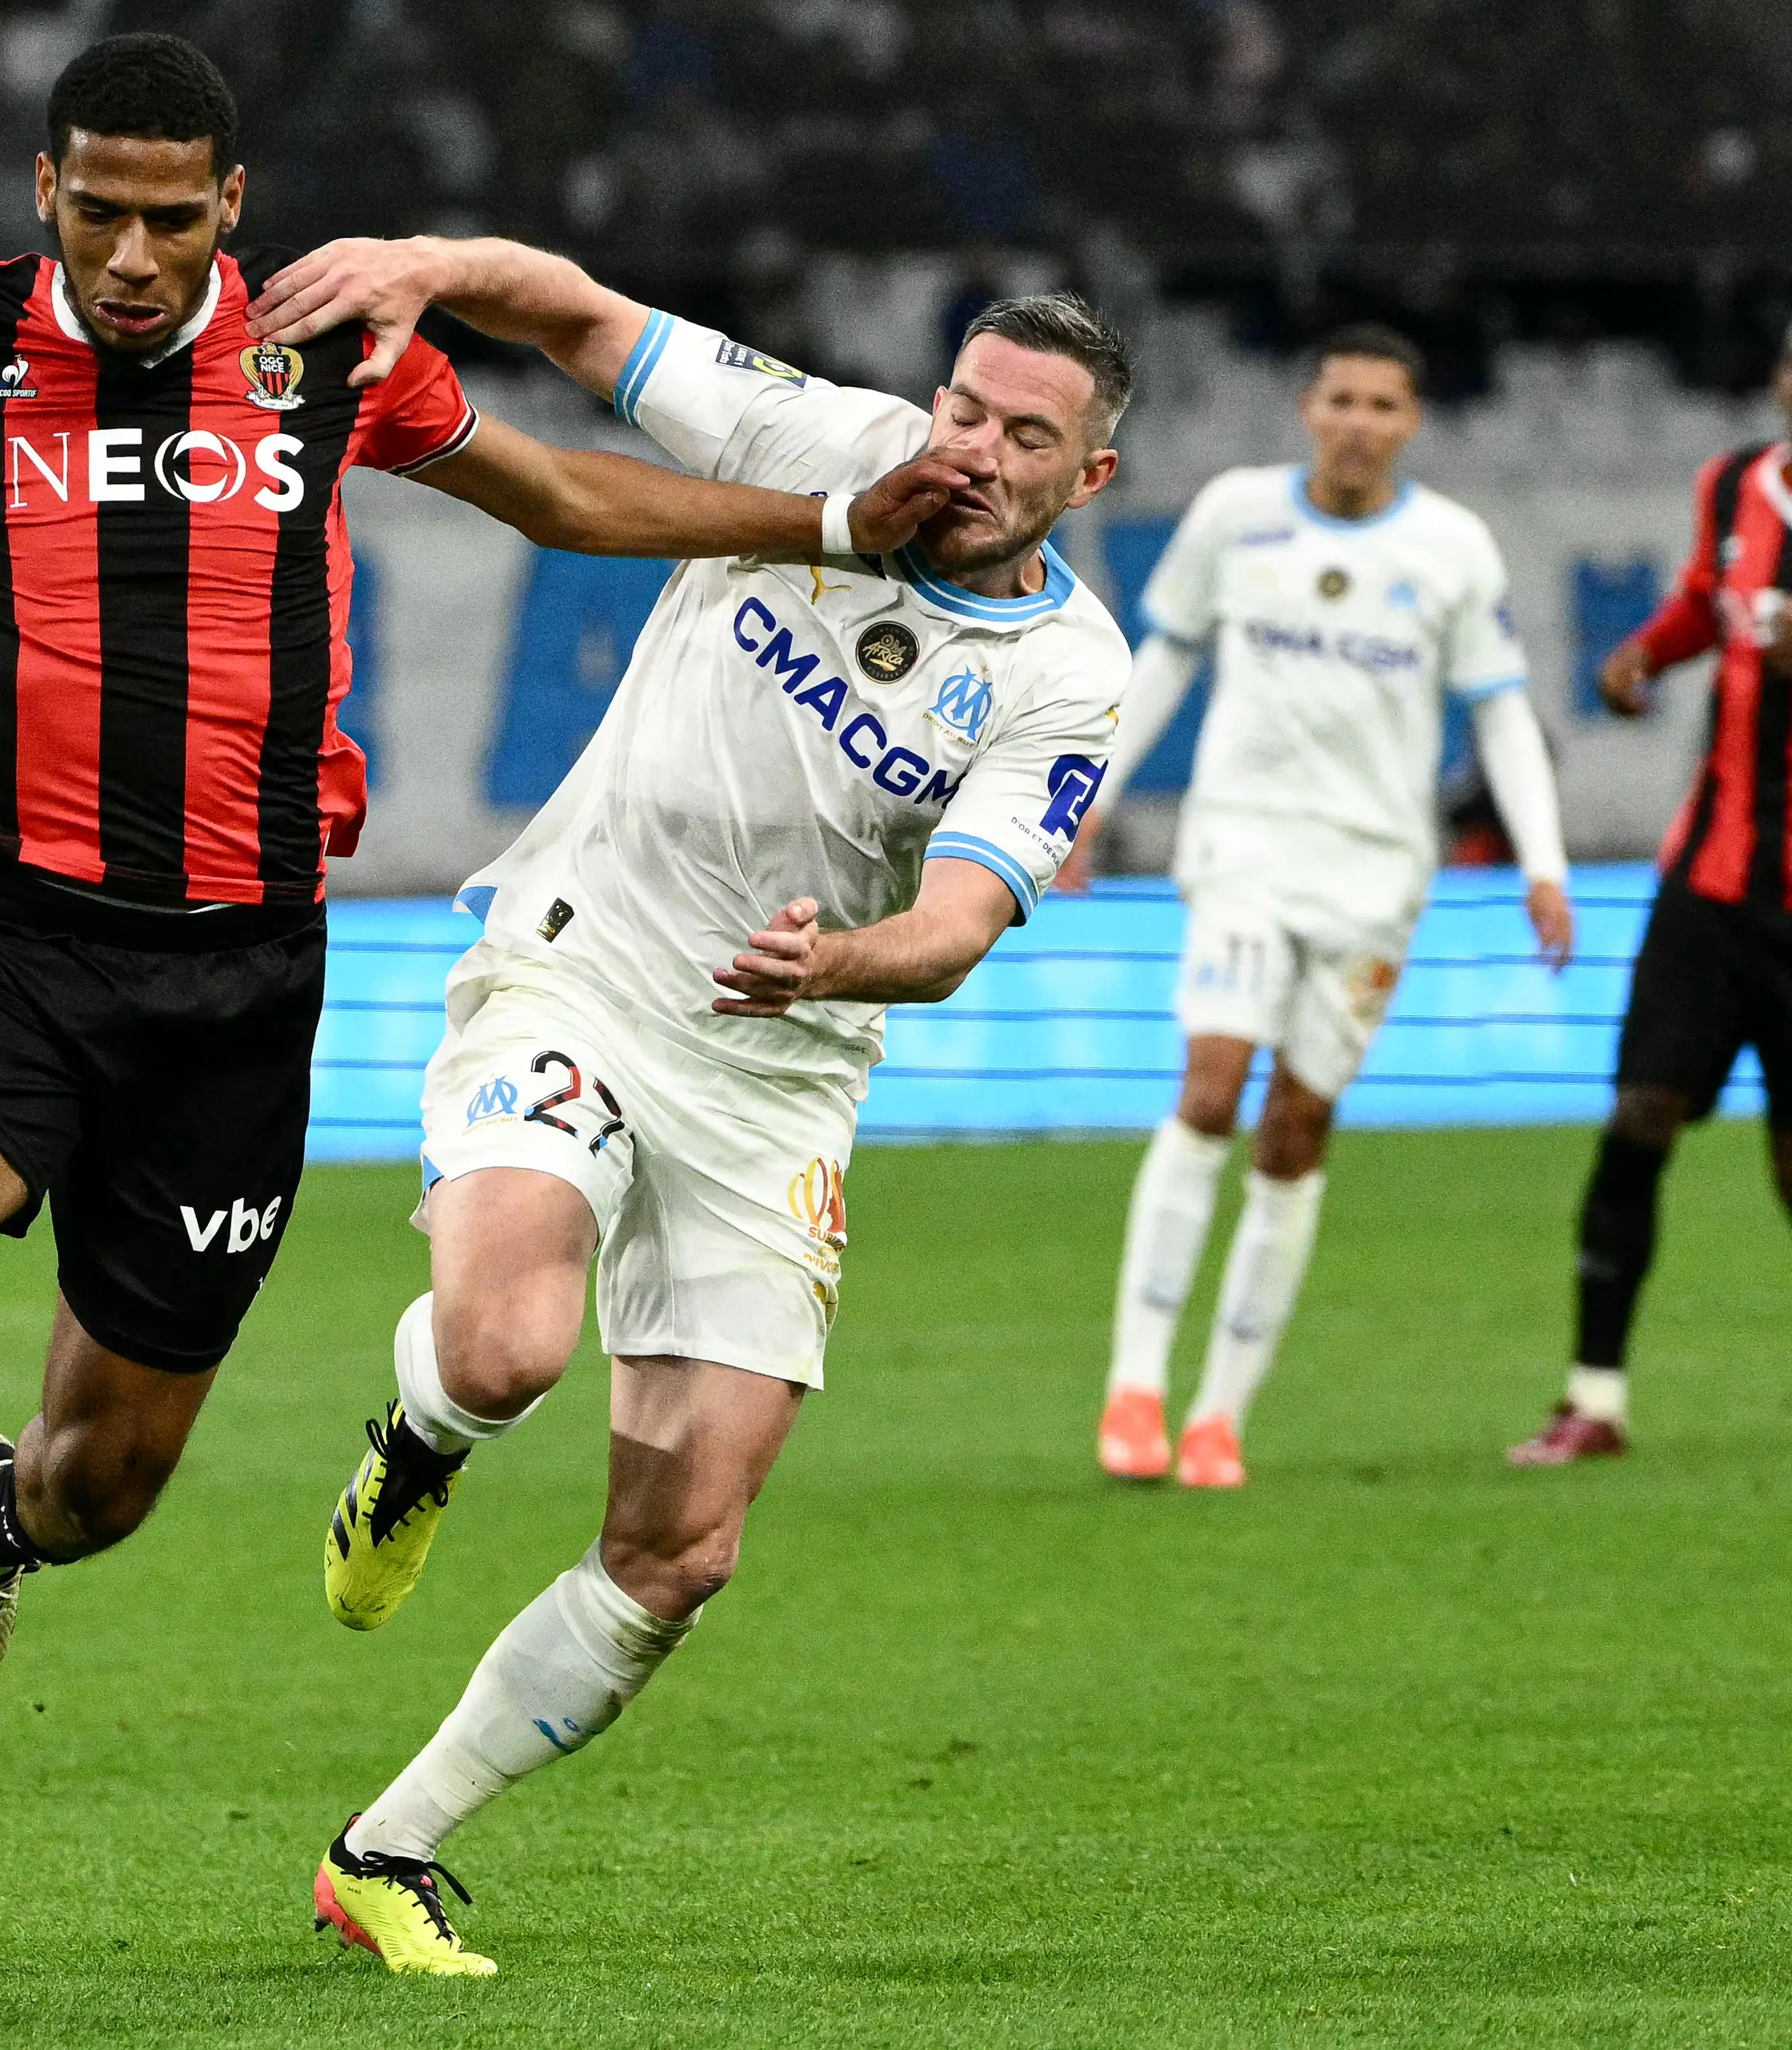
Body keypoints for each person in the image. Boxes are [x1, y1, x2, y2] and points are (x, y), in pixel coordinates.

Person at [0, 34, 975, 1843]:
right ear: (44, 196)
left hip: (230, 981)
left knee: (106, 1480)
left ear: (231, 207)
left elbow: (553, 492)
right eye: (100, 213)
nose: (134, 255)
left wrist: (835, 522)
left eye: (172, 218)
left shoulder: (317, 354)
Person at [243, 239, 1131, 1972]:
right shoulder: (816, 440)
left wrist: (844, 960)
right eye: (963, 404)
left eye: (1023, 437)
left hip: (780, 1068)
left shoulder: (1068, 676)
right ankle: (421, 1440)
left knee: (682, 1546)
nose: (970, 446)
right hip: (580, 960)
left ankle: (389, 1847)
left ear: (1087, 478)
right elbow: (573, 316)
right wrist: (427, 267)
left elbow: (958, 922)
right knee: (504, 1349)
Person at [1067, 325, 1573, 1488]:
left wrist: (1541, 862)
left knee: (1298, 1127)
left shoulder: (1453, 549)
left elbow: (1498, 709)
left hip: (1378, 876)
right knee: (1210, 1088)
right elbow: (1169, 657)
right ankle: (1136, 1389)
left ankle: (1221, 1414)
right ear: (1307, 406)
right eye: (1341, 397)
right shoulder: (1237, 515)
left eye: (1383, 405)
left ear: (1413, 422)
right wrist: (1085, 800)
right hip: (1244, 847)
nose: (1359, 421)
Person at [1509, 324, 1792, 1466]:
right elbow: (1701, 600)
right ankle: (1594, 1398)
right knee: (1637, 1121)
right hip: (1709, 885)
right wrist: (1645, 657)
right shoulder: (1733, 482)